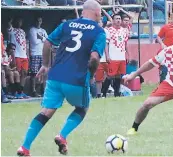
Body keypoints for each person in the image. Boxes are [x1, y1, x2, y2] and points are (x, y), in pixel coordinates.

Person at [17, 0, 106, 156]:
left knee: (46, 111)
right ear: (98, 14)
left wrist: (45, 65)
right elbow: (94, 58)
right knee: (82, 108)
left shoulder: (67, 24)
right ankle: (62, 136)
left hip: (55, 76)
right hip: (76, 79)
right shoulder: (99, 32)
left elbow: (47, 42)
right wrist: (90, 76)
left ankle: (24, 147)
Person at [102, 14, 129, 97]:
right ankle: (103, 93)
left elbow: (125, 43)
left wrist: (127, 54)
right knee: (110, 75)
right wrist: (107, 55)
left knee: (119, 75)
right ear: (113, 20)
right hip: (113, 57)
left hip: (121, 56)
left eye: (119, 18)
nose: (118, 20)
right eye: (116, 19)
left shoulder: (125, 30)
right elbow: (106, 44)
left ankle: (117, 93)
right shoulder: (108, 30)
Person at [156, 12, 173, 83]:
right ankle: (162, 84)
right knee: (164, 68)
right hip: (167, 51)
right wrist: (162, 44)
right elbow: (158, 37)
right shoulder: (166, 27)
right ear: (171, 18)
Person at [8, 17, 30, 98]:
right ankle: (16, 92)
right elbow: (9, 26)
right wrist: (10, 22)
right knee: (18, 73)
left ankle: (21, 91)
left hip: (24, 55)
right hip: (17, 54)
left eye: (20, 21)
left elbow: (24, 43)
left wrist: (27, 55)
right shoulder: (12, 30)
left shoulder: (23, 31)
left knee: (24, 73)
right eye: (18, 21)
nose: (19, 23)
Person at [29, 16, 48, 97]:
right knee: (34, 73)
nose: (38, 22)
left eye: (40, 21)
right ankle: (33, 91)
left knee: (43, 73)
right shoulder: (32, 30)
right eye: (37, 20)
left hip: (42, 53)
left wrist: (41, 37)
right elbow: (35, 41)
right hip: (35, 53)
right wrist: (42, 39)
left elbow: (48, 40)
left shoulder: (43, 30)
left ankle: (43, 90)